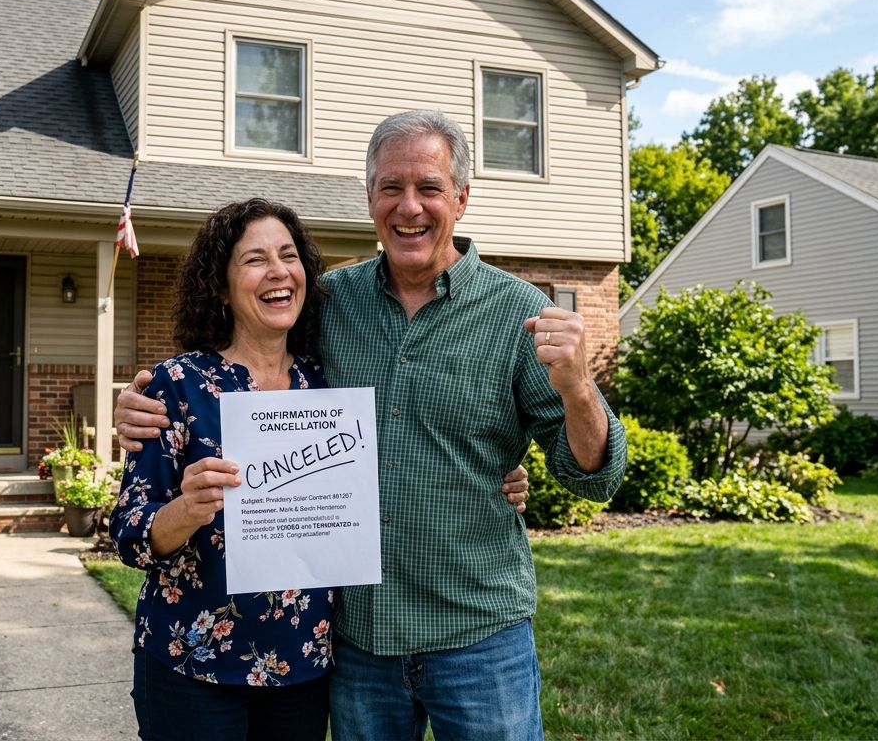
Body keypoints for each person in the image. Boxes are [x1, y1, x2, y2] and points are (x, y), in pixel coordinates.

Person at [116, 110, 626, 741]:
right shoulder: (330, 305)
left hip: (478, 637)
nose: (409, 207)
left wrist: (578, 388)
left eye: (429, 188)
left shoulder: (518, 313)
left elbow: (593, 478)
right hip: (360, 643)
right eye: (391, 188)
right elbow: (238, 368)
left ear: (461, 200)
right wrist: (141, 409)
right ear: (369, 200)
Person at [110, 198, 337, 741]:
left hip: (302, 663)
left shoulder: (326, 384)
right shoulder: (178, 385)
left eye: (288, 255)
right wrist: (185, 510)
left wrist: (497, 477)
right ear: (221, 284)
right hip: (193, 662)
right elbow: (128, 534)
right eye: (255, 259)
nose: (278, 271)